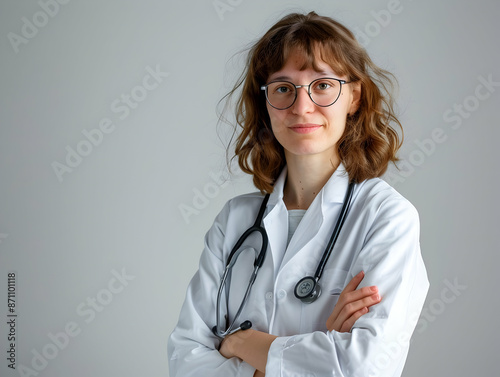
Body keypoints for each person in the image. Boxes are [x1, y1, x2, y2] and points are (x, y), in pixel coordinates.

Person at [168, 11, 429, 377]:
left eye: (322, 85)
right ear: (266, 102)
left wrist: (240, 344)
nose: (301, 106)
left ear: (353, 96)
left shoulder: (386, 216)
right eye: (283, 88)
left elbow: (367, 366)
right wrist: (315, 350)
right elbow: (184, 359)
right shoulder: (235, 220)